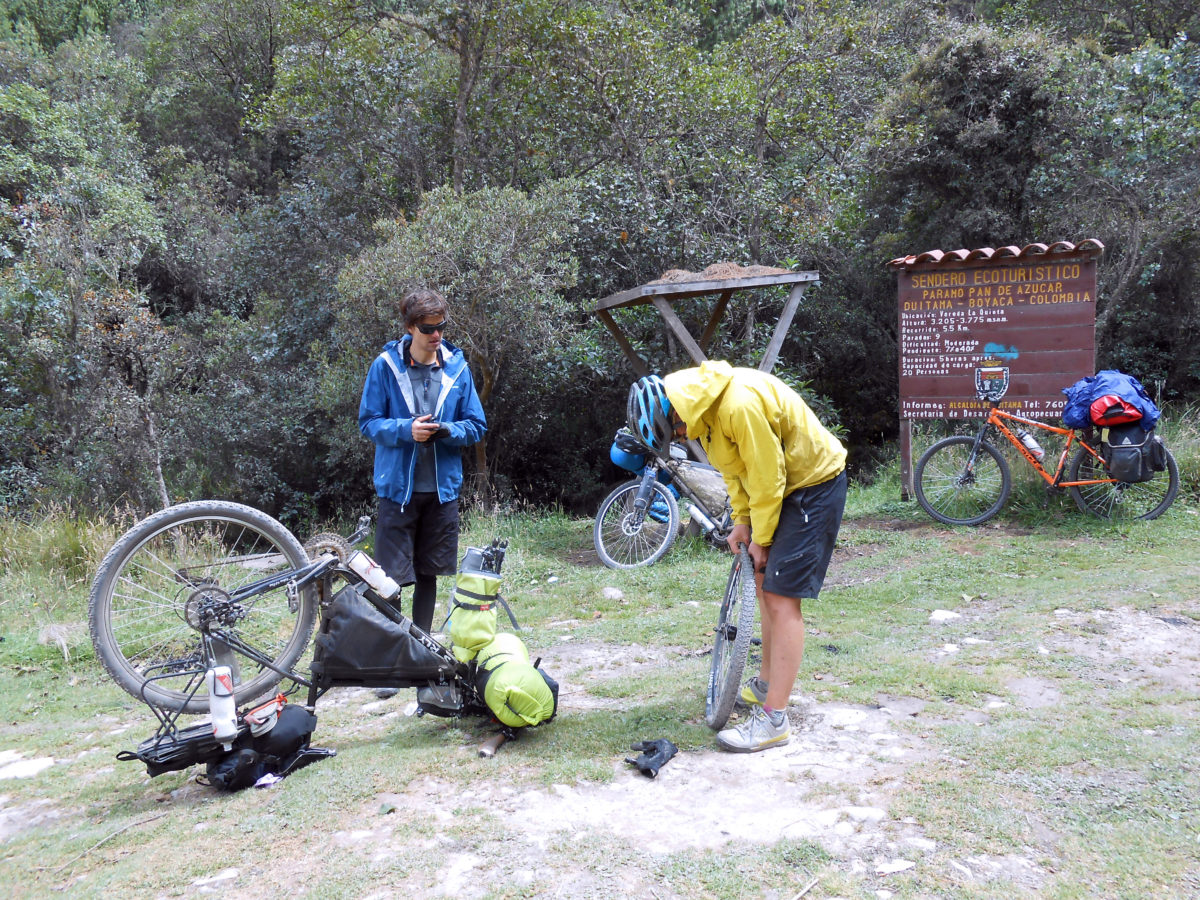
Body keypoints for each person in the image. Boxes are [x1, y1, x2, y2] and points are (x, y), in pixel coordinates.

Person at [628, 362, 846, 752]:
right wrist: (742, 522)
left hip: (814, 485)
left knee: (782, 598)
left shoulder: (736, 404)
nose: (679, 435)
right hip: (785, 486)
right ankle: (766, 684)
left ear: (675, 410)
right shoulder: (705, 415)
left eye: (673, 430)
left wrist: (761, 538)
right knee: (763, 583)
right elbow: (735, 472)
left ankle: (774, 720)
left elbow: (767, 476)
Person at [359, 287, 487, 634]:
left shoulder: (458, 369)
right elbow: (368, 422)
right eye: (428, 328)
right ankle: (393, 658)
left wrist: (447, 430)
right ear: (410, 328)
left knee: (429, 573)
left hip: (441, 492)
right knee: (390, 581)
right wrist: (406, 430)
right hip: (397, 491)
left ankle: (421, 653)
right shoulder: (384, 367)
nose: (436, 335)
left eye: (441, 326)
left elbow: (476, 425)